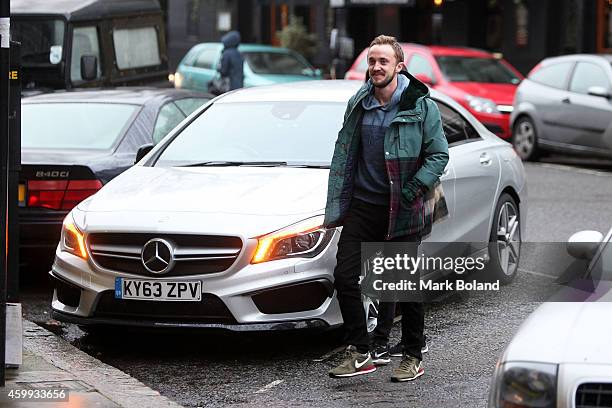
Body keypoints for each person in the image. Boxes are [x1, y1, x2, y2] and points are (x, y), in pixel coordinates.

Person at [325, 35, 448, 381]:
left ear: (399, 67)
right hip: (364, 206)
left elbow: (439, 155)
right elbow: (345, 153)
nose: (376, 67)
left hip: (403, 206)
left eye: (383, 62)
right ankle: (361, 351)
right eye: (372, 61)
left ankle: (412, 354)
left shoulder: (421, 106)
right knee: (345, 277)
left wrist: (412, 189)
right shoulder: (358, 103)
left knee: (402, 286)